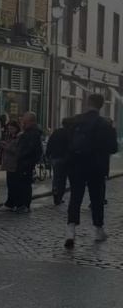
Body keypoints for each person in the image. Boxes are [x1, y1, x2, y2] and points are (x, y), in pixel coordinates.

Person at [64, 94, 118, 249]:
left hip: (76, 165)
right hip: (97, 166)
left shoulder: (75, 121)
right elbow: (113, 148)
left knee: (75, 197)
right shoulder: (105, 124)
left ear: (87, 103)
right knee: (97, 198)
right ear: (101, 105)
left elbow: (67, 142)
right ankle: (98, 229)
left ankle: (70, 230)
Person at [13, 112, 43, 214]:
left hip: (26, 163)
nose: (22, 123)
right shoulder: (28, 132)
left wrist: (23, 157)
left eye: (24, 122)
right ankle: (21, 204)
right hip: (24, 162)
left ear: (30, 122)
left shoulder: (32, 133)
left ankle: (24, 205)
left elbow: (31, 149)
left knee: (24, 184)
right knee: (21, 183)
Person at [46, 117, 73, 205]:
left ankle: (55, 190)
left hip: (55, 158)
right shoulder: (70, 133)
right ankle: (59, 196)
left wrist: (48, 154)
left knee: (56, 177)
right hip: (65, 159)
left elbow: (50, 143)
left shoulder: (57, 132)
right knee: (63, 178)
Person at [0, 121, 21, 212]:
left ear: (16, 128)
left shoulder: (19, 137)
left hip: (14, 164)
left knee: (13, 184)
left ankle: (12, 203)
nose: (10, 130)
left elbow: (16, 150)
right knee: (10, 184)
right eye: (9, 129)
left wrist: (6, 146)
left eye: (12, 129)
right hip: (9, 164)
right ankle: (10, 203)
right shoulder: (10, 136)